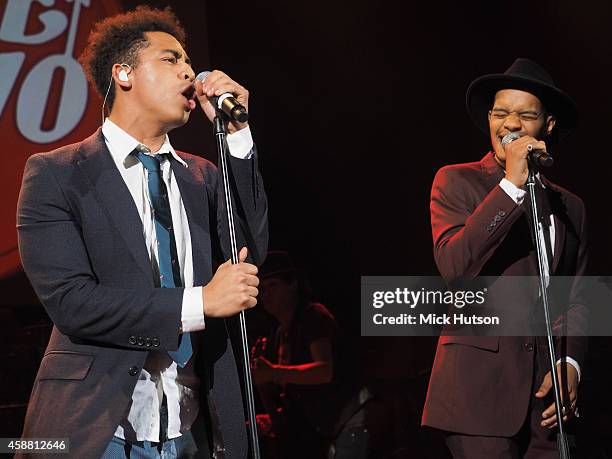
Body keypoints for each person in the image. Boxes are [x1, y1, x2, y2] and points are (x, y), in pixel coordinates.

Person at [16, 6, 268, 459]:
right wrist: (199, 302)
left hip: (194, 428)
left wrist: (237, 134)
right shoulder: (57, 174)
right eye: (171, 60)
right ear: (124, 74)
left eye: (189, 62)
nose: (190, 72)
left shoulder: (204, 176)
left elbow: (250, 253)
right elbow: (72, 302)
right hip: (96, 430)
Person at [421, 58, 588, 458]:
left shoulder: (571, 206)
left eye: (525, 114)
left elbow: (580, 295)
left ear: (547, 125)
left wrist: (571, 363)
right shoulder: (456, 181)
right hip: (478, 397)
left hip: (546, 403)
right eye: (500, 113)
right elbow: (455, 267)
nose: (509, 124)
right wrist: (511, 186)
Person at [250, 251, 338, 458]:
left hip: (337, 425)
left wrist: (272, 372)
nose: (266, 295)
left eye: (273, 286)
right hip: (310, 430)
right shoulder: (279, 333)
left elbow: (324, 371)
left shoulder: (313, 315)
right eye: (262, 289)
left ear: (293, 285)